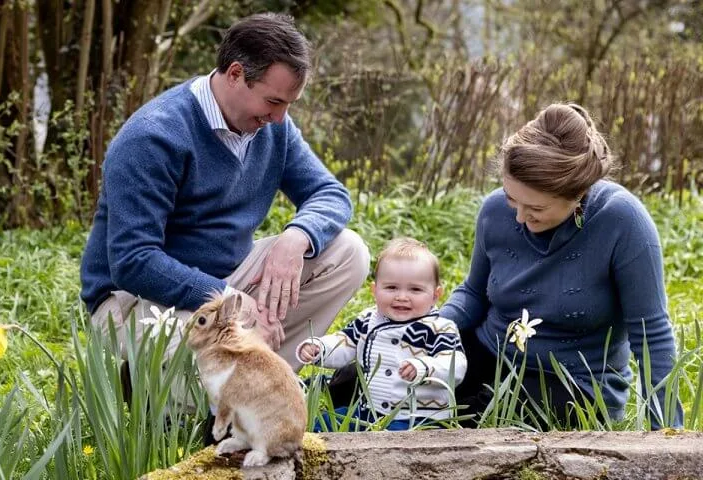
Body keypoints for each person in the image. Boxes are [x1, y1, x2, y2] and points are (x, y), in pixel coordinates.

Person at [79, 13, 370, 385]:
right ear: (235, 74)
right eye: (274, 101)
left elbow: (329, 194)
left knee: (348, 252)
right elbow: (133, 261)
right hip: (136, 301)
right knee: (214, 355)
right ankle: (161, 387)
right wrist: (228, 300)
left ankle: (263, 379)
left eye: (289, 105)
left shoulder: (273, 128)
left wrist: (296, 238)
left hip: (226, 278)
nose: (281, 118)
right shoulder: (153, 138)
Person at [439, 103, 683, 429]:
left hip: (574, 382)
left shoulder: (622, 221)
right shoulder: (494, 210)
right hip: (491, 355)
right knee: (389, 376)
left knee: (476, 417)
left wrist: (667, 434)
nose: (520, 218)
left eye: (536, 208)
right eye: (512, 199)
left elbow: (651, 334)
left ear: (578, 193)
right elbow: (473, 292)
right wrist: (434, 327)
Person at [297, 237, 466, 431]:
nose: (402, 296)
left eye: (415, 289)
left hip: (417, 419)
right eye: (391, 287)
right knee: (324, 424)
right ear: (375, 290)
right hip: (368, 412)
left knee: (398, 447)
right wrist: (320, 348)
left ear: (436, 295)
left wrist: (425, 367)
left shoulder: (440, 328)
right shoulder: (368, 320)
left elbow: (455, 365)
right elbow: (345, 342)